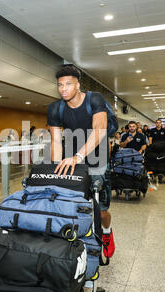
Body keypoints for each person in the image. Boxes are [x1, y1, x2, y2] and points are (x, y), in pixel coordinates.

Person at [47, 64, 115, 259]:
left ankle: (107, 232)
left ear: (78, 85)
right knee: (72, 203)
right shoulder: (56, 108)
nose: (63, 88)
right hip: (70, 158)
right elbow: (55, 141)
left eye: (68, 83)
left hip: (97, 157)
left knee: (100, 211)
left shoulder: (94, 99)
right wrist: (54, 169)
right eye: (60, 85)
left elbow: (99, 130)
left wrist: (79, 156)